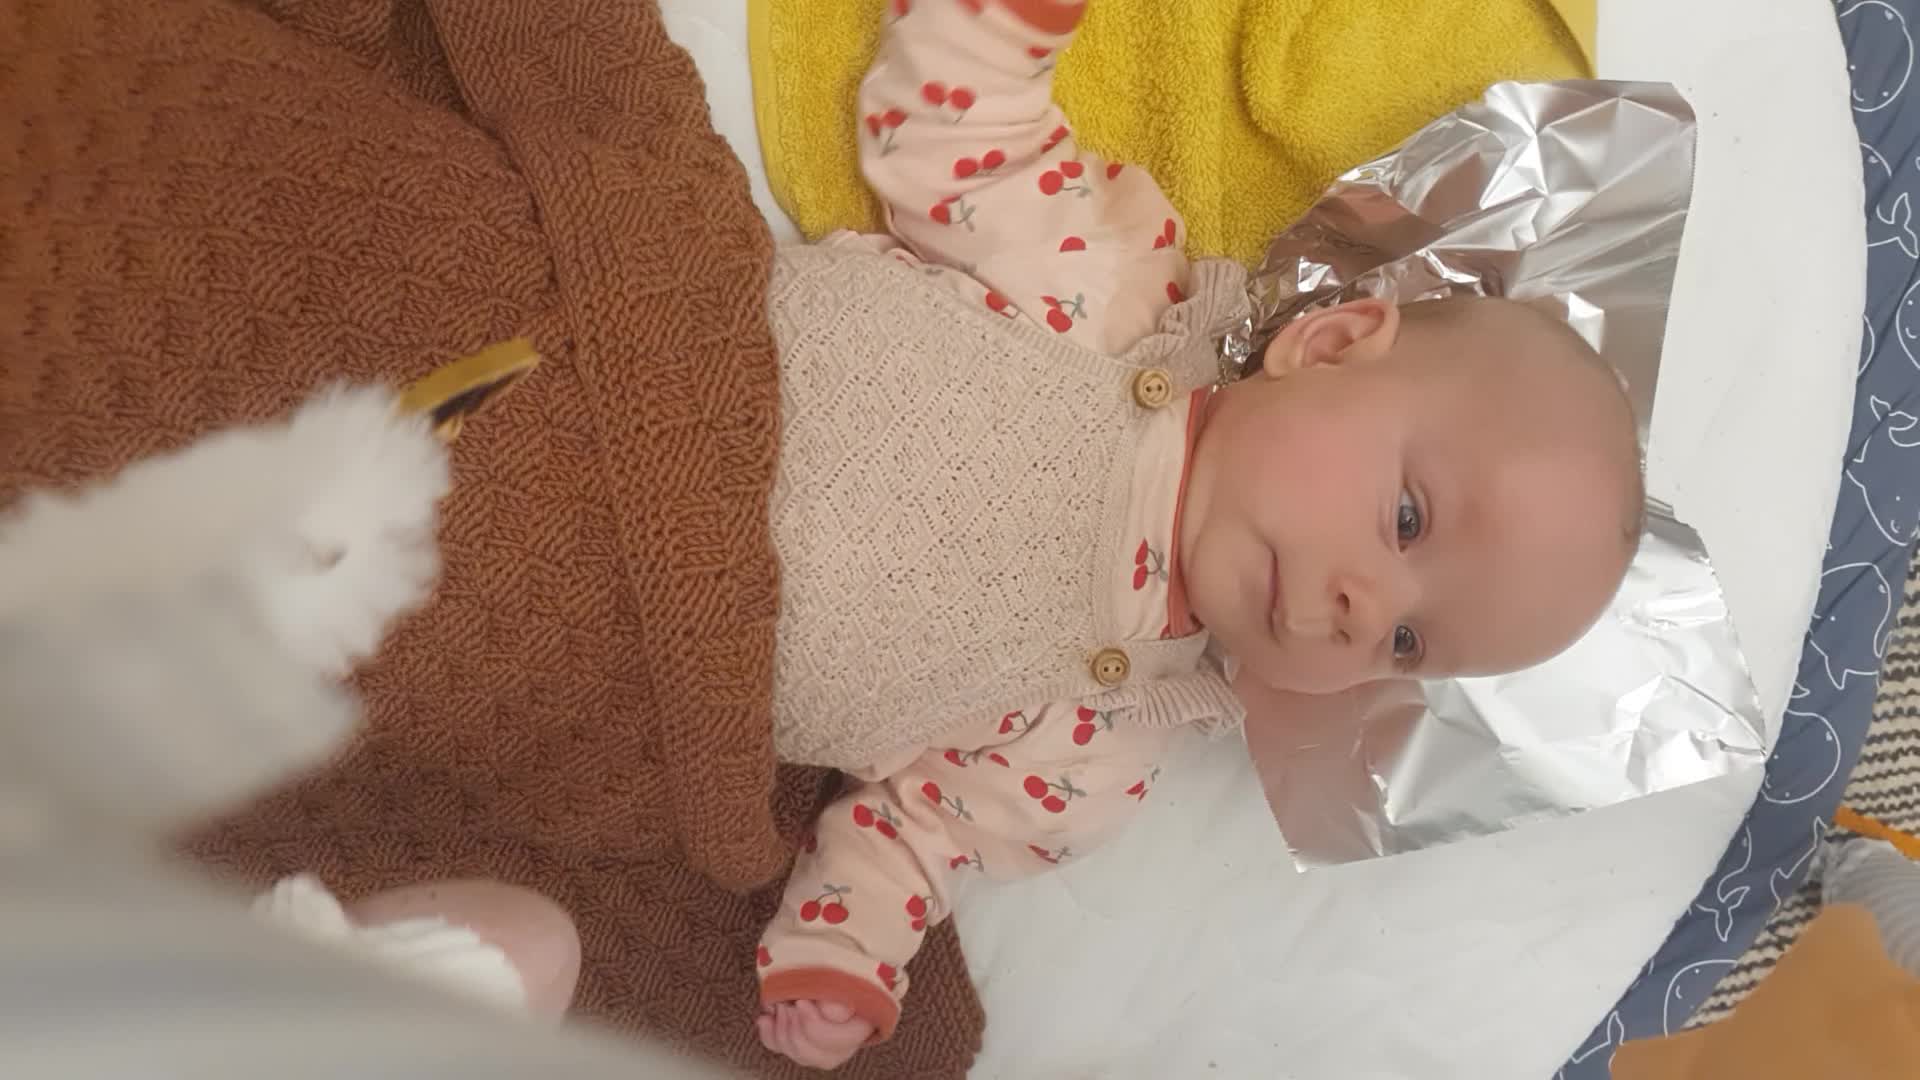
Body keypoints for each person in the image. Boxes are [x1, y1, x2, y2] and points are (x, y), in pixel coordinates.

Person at [752, 0, 1643, 1067]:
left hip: (658, 656)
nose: (1364, 611)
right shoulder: (1106, 283)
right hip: (673, 351)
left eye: (1407, 644)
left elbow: (917, 830)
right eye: (1407, 520)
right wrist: (998, 29)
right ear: (1328, 345)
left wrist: (841, 953)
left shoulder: (1095, 760)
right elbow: (956, 142)